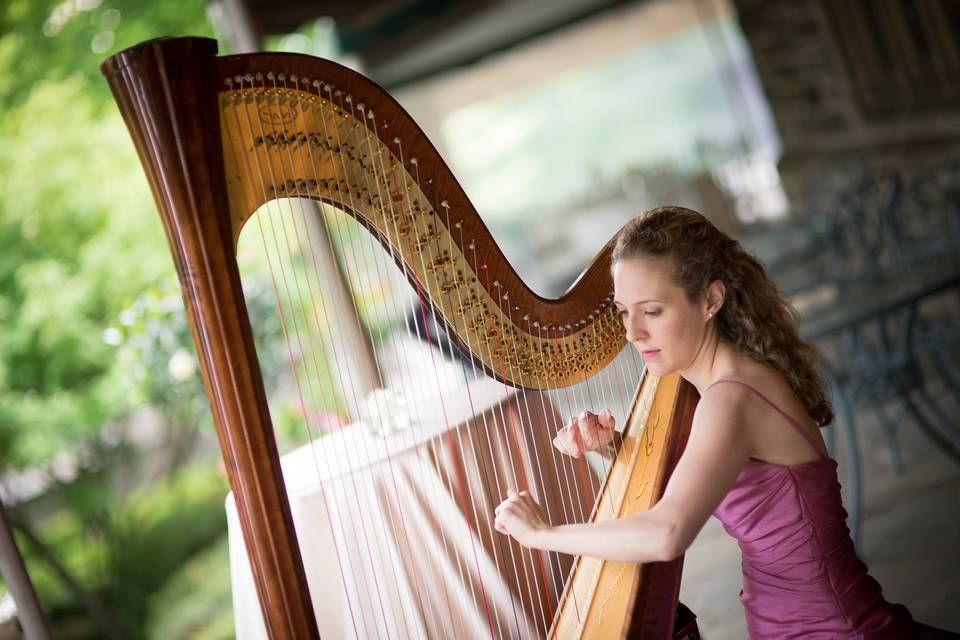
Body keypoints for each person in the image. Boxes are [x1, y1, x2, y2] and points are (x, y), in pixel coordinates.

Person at [494, 206, 957, 639]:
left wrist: (543, 535)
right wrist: (614, 446)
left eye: (652, 311)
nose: (633, 333)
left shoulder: (729, 400)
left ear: (711, 299)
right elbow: (712, 481)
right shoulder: (721, 386)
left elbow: (666, 533)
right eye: (623, 312)